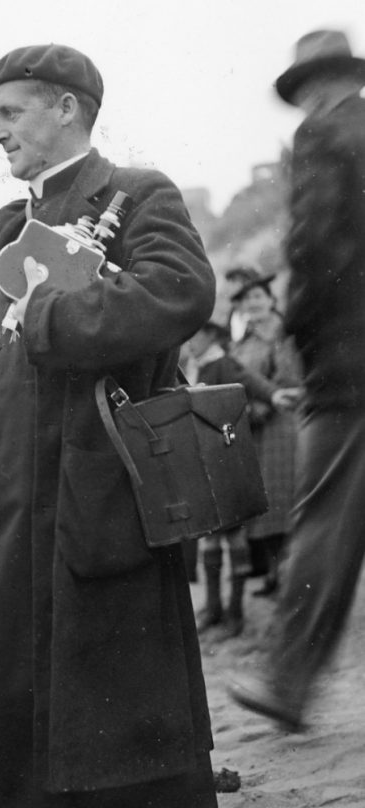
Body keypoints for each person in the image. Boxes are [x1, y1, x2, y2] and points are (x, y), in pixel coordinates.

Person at [0, 44, 219, 807]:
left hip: (83, 500)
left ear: (66, 108)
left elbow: (181, 292)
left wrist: (52, 318)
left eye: (9, 113)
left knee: (104, 734)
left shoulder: (138, 193)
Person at [228, 29, 365, 732]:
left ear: (312, 84)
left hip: (348, 365)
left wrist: (297, 328)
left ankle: (287, 679)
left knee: (324, 520)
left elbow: (314, 244)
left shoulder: (322, 133)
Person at [185, 320, 298, 638]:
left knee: (232, 537)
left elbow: (253, 383)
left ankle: (234, 615)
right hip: (204, 463)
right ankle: (214, 608)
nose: (189, 343)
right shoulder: (197, 366)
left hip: (226, 464)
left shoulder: (223, 362)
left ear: (209, 335)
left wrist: (275, 397)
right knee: (210, 537)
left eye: (194, 336)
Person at [229, 271, 302, 597]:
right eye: (247, 299)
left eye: (258, 296)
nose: (253, 303)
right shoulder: (243, 339)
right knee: (266, 509)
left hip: (278, 428)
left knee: (282, 506)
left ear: (271, 300)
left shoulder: (281, 335)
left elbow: (289, 383)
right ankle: (274, 576)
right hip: (254, 431)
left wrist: (255, 412)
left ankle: (288, 579)